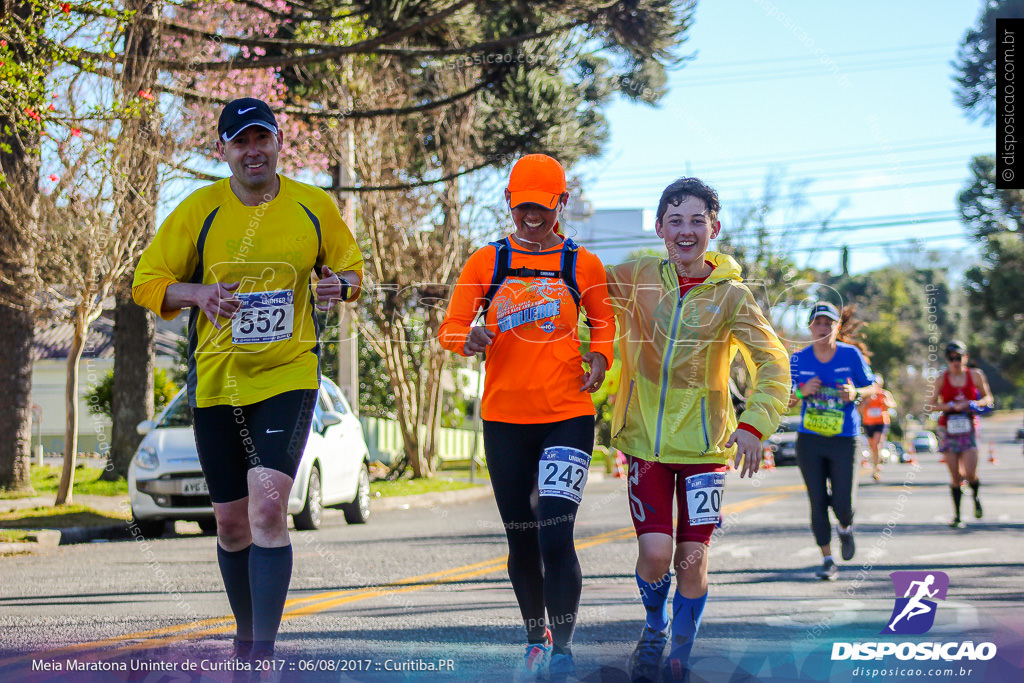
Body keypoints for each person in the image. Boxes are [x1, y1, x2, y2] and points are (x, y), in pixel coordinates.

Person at [132, 98, 363, 663]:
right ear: (223, 151)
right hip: (218, 383)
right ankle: (245, 635)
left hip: (289, 376)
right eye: (240, 142)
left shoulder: (313, 206)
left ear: (278, 143)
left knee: (266, 511)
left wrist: (342, 287)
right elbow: (146, 280)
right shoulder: (199, 210)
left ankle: (262, 654)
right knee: (233, 525)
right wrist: (196, 293)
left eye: (262, 139)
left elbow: (353, 269)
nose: (252, 150)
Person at [438, 154, 615, 682]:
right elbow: (450, 328)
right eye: (522, 207)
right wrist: (466, 338)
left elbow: (604, 323)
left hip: (567, 415)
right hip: (505, 420)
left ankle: (562, 649)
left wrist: (600, 358)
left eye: (542, 206)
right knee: (520, 536)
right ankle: (534, 635)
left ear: (561, 203)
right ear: (510, 203)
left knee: (555, 534)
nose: (531, 216)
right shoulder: (485, 262)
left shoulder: (582, 264)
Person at [605, 177, 790, 683]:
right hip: (644, 441)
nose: (686, 231)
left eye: (697, 220)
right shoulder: (635, 277)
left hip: (707, 448)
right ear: (660, 227)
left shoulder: (732, 296)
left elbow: (772, 363)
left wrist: (754, 423)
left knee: (691, 561)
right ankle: (654, 628)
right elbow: (580, 290)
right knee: (655, 553)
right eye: (675, 220)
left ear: (714, 227)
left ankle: (680, 658)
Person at [790, 302, 877, 581]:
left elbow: (873, 385)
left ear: (837, 327)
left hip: (844, 439)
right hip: (810, 440)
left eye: (829, 323)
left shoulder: (850, 355)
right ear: (810, 327)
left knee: (842, 503)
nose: (823, 328)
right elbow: (785, 399)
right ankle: (827, 559)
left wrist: (855, 392)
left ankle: (845, 527)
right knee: (817, 501)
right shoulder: (798, 360)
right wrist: (803, 392)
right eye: (818, 323)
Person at [927, 341, 993, 528]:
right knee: (956, 476)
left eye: (958, 357)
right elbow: (931, 404)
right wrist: (949, 406)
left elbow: (989, 398)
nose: (955, 361)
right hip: (948, 428)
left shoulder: (975, 375)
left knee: (970, 473)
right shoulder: (941, 378)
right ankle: (957, 515)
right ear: (947, 360)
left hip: (969, 426)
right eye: (951, 358)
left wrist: (974, 403)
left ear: (965, 357)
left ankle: (976, 496)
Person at [859, 374, 896, 481]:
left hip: (881, 422)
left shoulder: (884, 394)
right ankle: (876, 465)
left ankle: (876, 469)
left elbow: (893, 404)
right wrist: (866, 403)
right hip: (868, 423)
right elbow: (859, 410)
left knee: (876, 444)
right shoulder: (866, 396)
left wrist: (887, 403)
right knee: (873, 447)